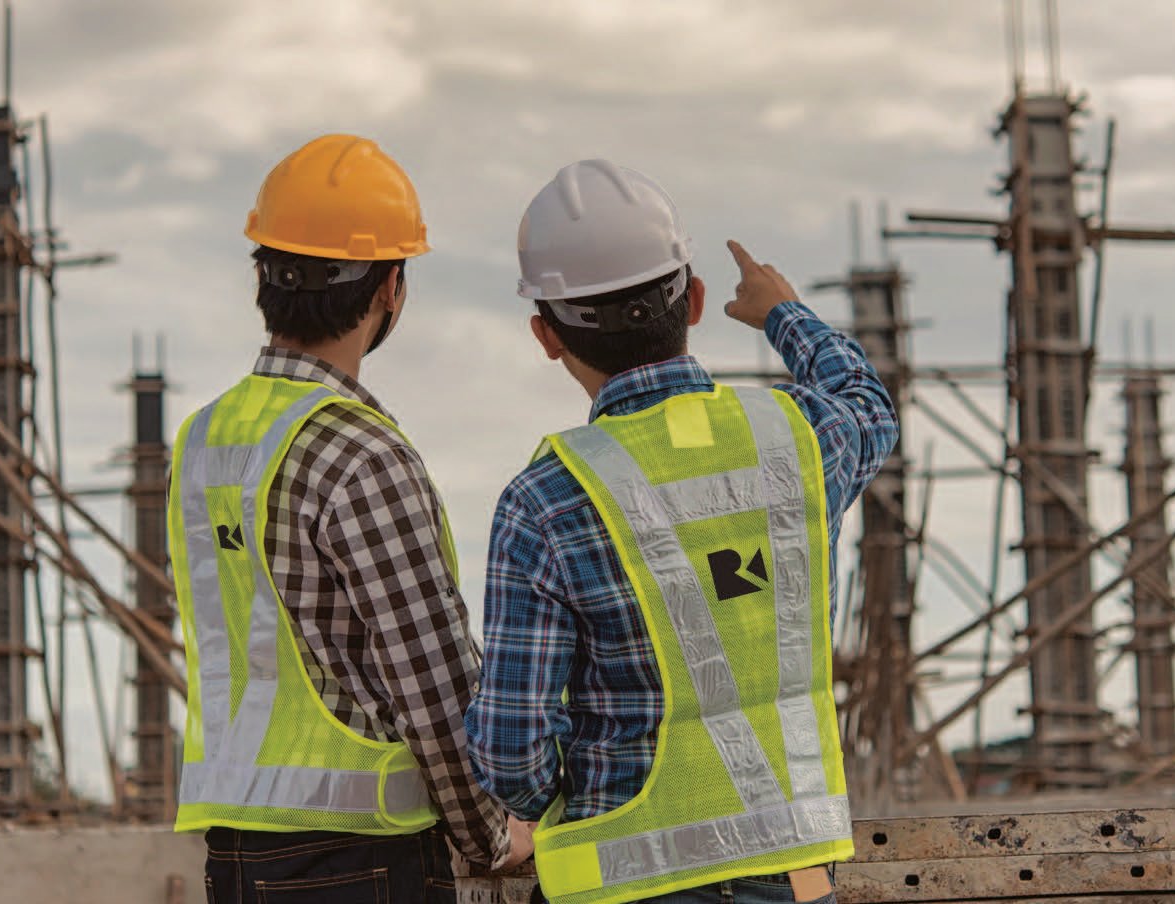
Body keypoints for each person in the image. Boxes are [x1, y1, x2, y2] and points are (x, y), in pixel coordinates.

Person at [465, 159, 899, 904]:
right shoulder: (796, 440)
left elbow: (511, 753)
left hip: (624, 887)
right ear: (693, 298)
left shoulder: (549, 499)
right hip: (793, 880)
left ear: (545, 334)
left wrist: (558, 801)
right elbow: (868, 402)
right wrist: (782, 313)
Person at [170, 134, 531, 903]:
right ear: (390, 288)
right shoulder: (360, 454)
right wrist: (492, 834)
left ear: (263, 276)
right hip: (358, 860)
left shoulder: (203, 441)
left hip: (235, 851)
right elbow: (432, 685)